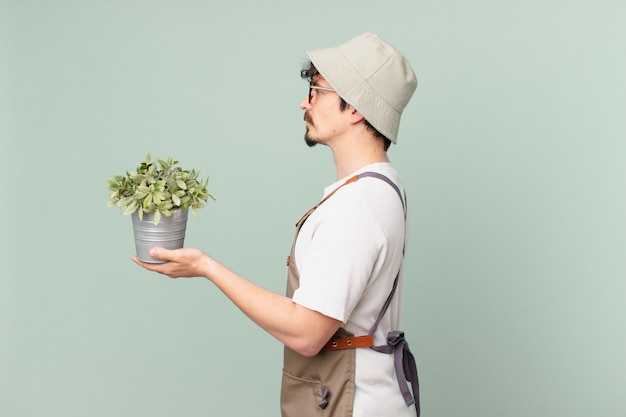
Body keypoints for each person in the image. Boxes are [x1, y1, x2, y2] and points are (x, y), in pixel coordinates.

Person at [133, 32, 419, 417]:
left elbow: (307, 333)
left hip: (352, 404)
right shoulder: (381, 187)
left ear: (355, 109)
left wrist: (207, 268)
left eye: (316, 90)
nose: (304, 102)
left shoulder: (358, 204)